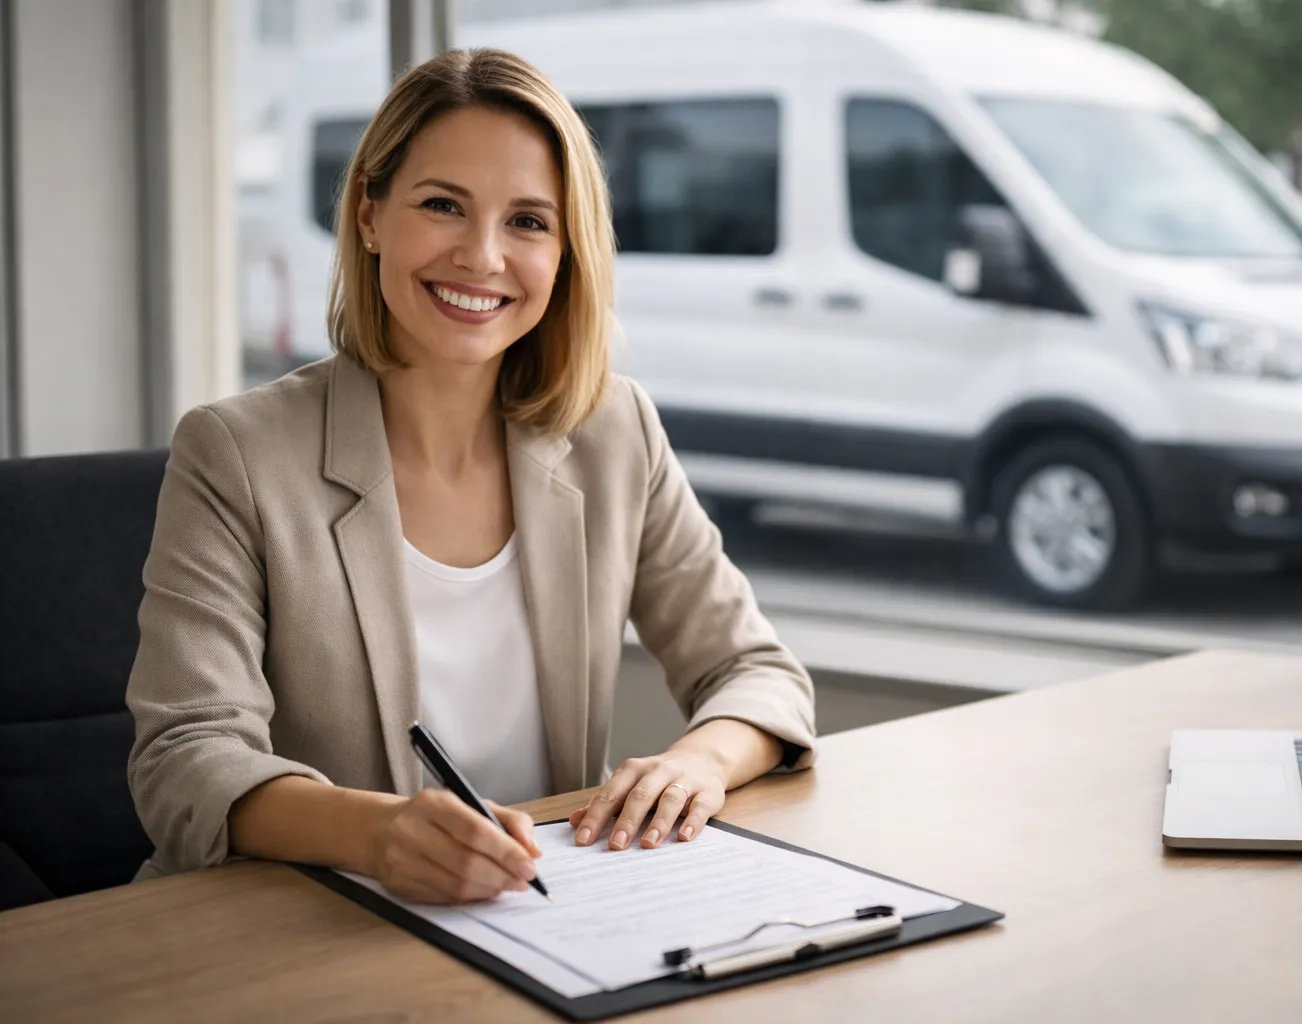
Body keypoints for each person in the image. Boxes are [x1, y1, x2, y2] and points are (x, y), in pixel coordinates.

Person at [125, 48, 816, 905]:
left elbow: (756, 671)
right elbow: (185, 759)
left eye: (528, 221)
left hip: (536, 915)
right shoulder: (236, 452)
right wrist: (377, 834)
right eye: (442, 205)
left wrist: (698, 762)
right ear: (369, 214)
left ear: (566, 251)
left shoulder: (612, 431)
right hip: (306, 920)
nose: (483, 256)